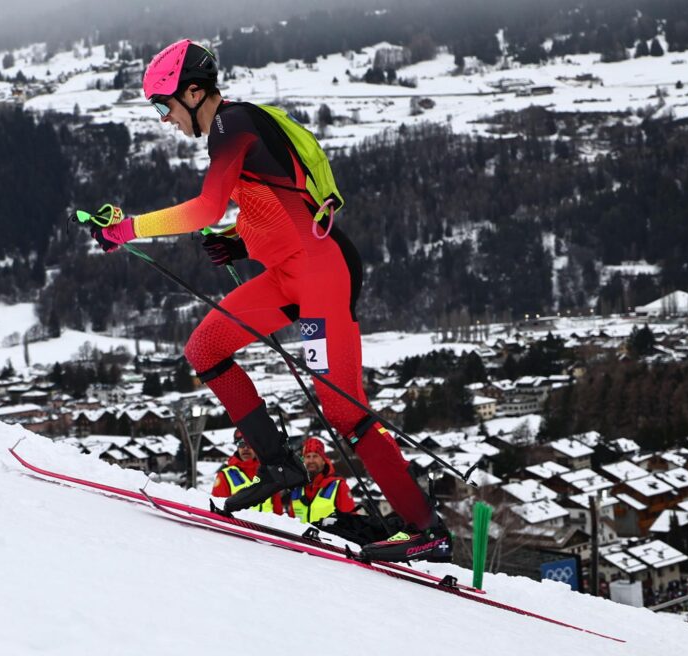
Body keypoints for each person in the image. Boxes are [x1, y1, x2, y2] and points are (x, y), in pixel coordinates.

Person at [88, 39, 451, 562]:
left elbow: (205, 208)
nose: (165, 119)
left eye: (163, 106)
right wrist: (241, 239)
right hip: (286, 277)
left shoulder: (232, 127)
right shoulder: (231, 131)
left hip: (322, 278)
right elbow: (277, 202)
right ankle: (279, 465)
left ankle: (424, 527)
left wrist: (129, 229)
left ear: (193, 93)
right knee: (206, 347)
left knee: (344, 412)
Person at [211, 429, 284, 514]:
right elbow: (218, 509)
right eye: (241, 444)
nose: (245, 448)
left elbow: (278, 511)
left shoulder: (269, 474)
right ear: (237, 447)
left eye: (250, 444)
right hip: (238, 526)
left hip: (266, 526)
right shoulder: (225, 476)